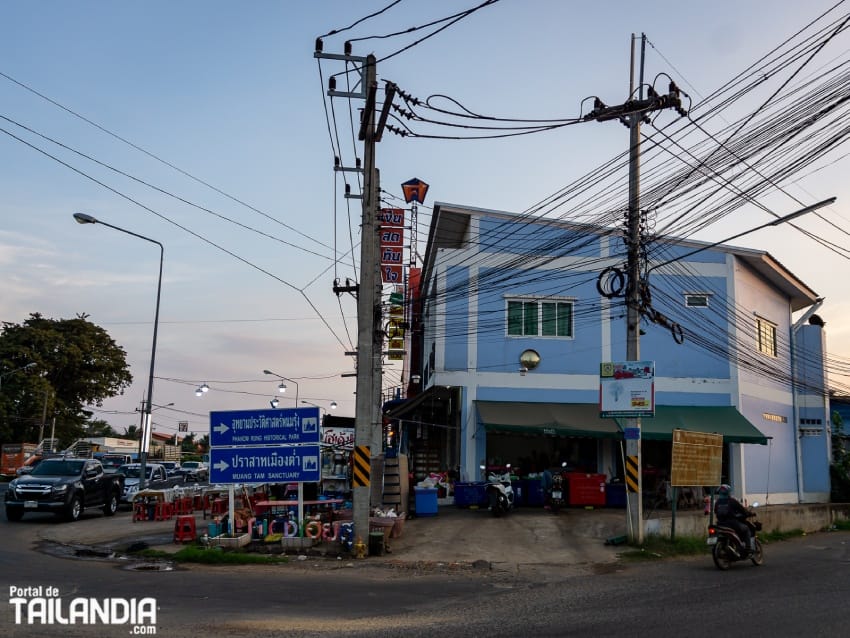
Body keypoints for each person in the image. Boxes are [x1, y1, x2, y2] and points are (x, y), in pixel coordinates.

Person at [714, 484, 754, 554]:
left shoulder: (717, 502)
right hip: (732, 524)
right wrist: (748, 513)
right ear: (728, 492)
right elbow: (742, 510)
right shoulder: (732, 501)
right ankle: (748, 548)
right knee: (746, 529)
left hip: (720, 524)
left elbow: (715, 511)